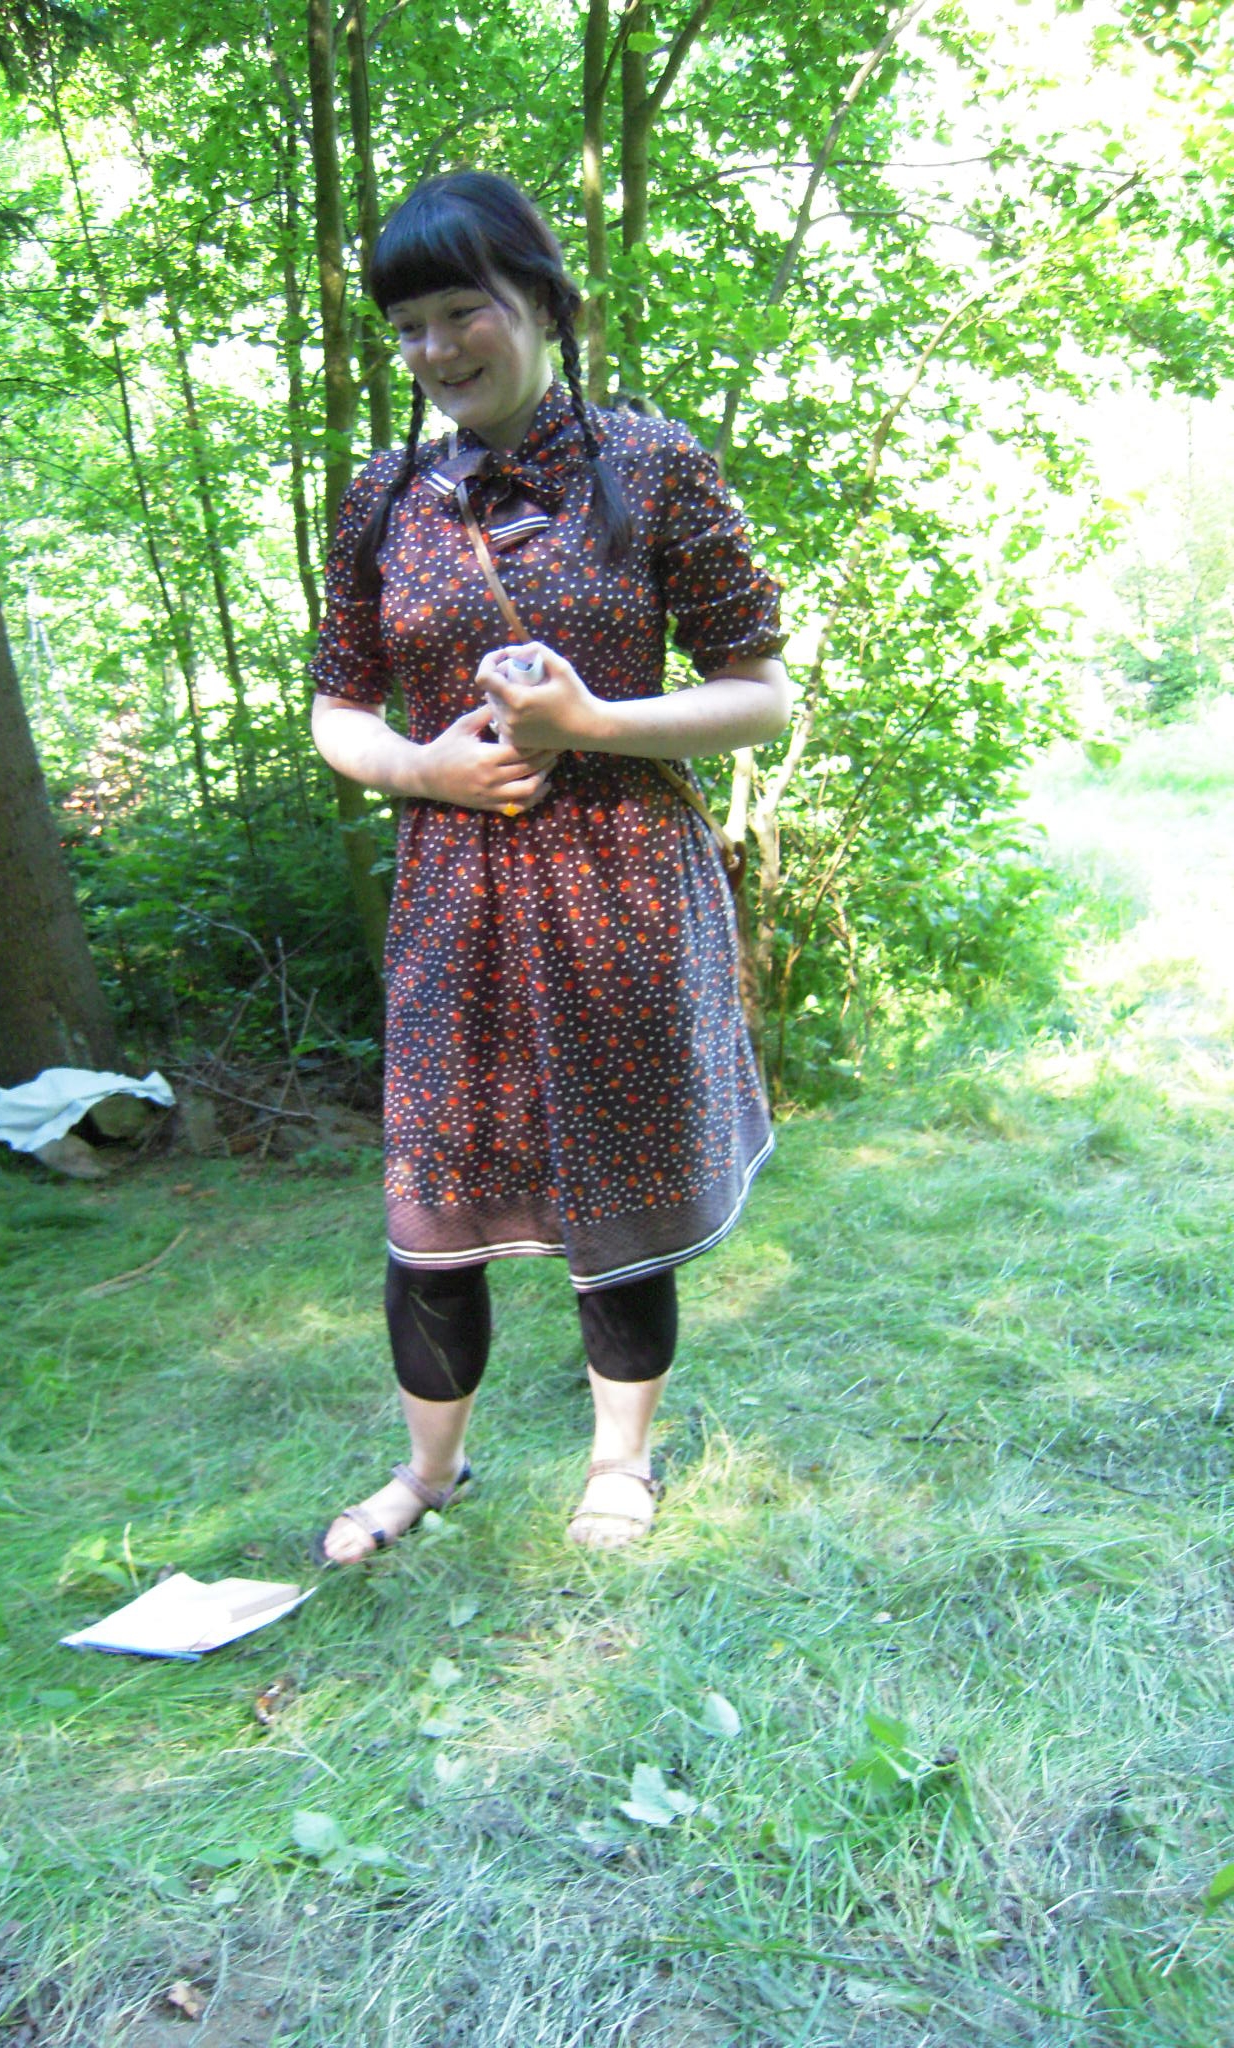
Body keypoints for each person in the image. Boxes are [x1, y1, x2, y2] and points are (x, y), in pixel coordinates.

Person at [309, 171, 790, 1562]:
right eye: (407, 326)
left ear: (543, 302)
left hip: (623, 889)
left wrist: (594, 724)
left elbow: (761, 697)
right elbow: (338, 707)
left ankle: (619, 1464)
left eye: (461, 311)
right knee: (433, 1197)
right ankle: (429, 1472)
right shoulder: (383, 499)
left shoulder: (653, 465)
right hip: (451, 896)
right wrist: (422, 768)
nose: (433, 349)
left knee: (619, 1186)